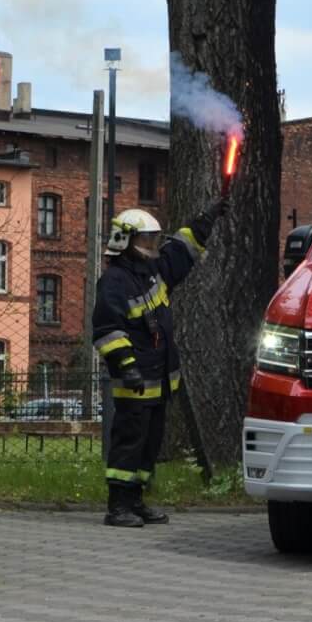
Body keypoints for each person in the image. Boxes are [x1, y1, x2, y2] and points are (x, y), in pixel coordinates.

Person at [92, 198, 224, 528]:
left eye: (154, 239)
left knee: (150, 445)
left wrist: (206, 218)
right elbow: (108, 331)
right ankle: (118, 505)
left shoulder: (154, 273)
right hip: (134, 382)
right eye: (145, 240)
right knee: (129, 442)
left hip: (157, 382)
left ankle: (136, 500)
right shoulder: (114, 282)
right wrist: (127, 367)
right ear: (124, 241)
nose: (152, 246)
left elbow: (181, 251)